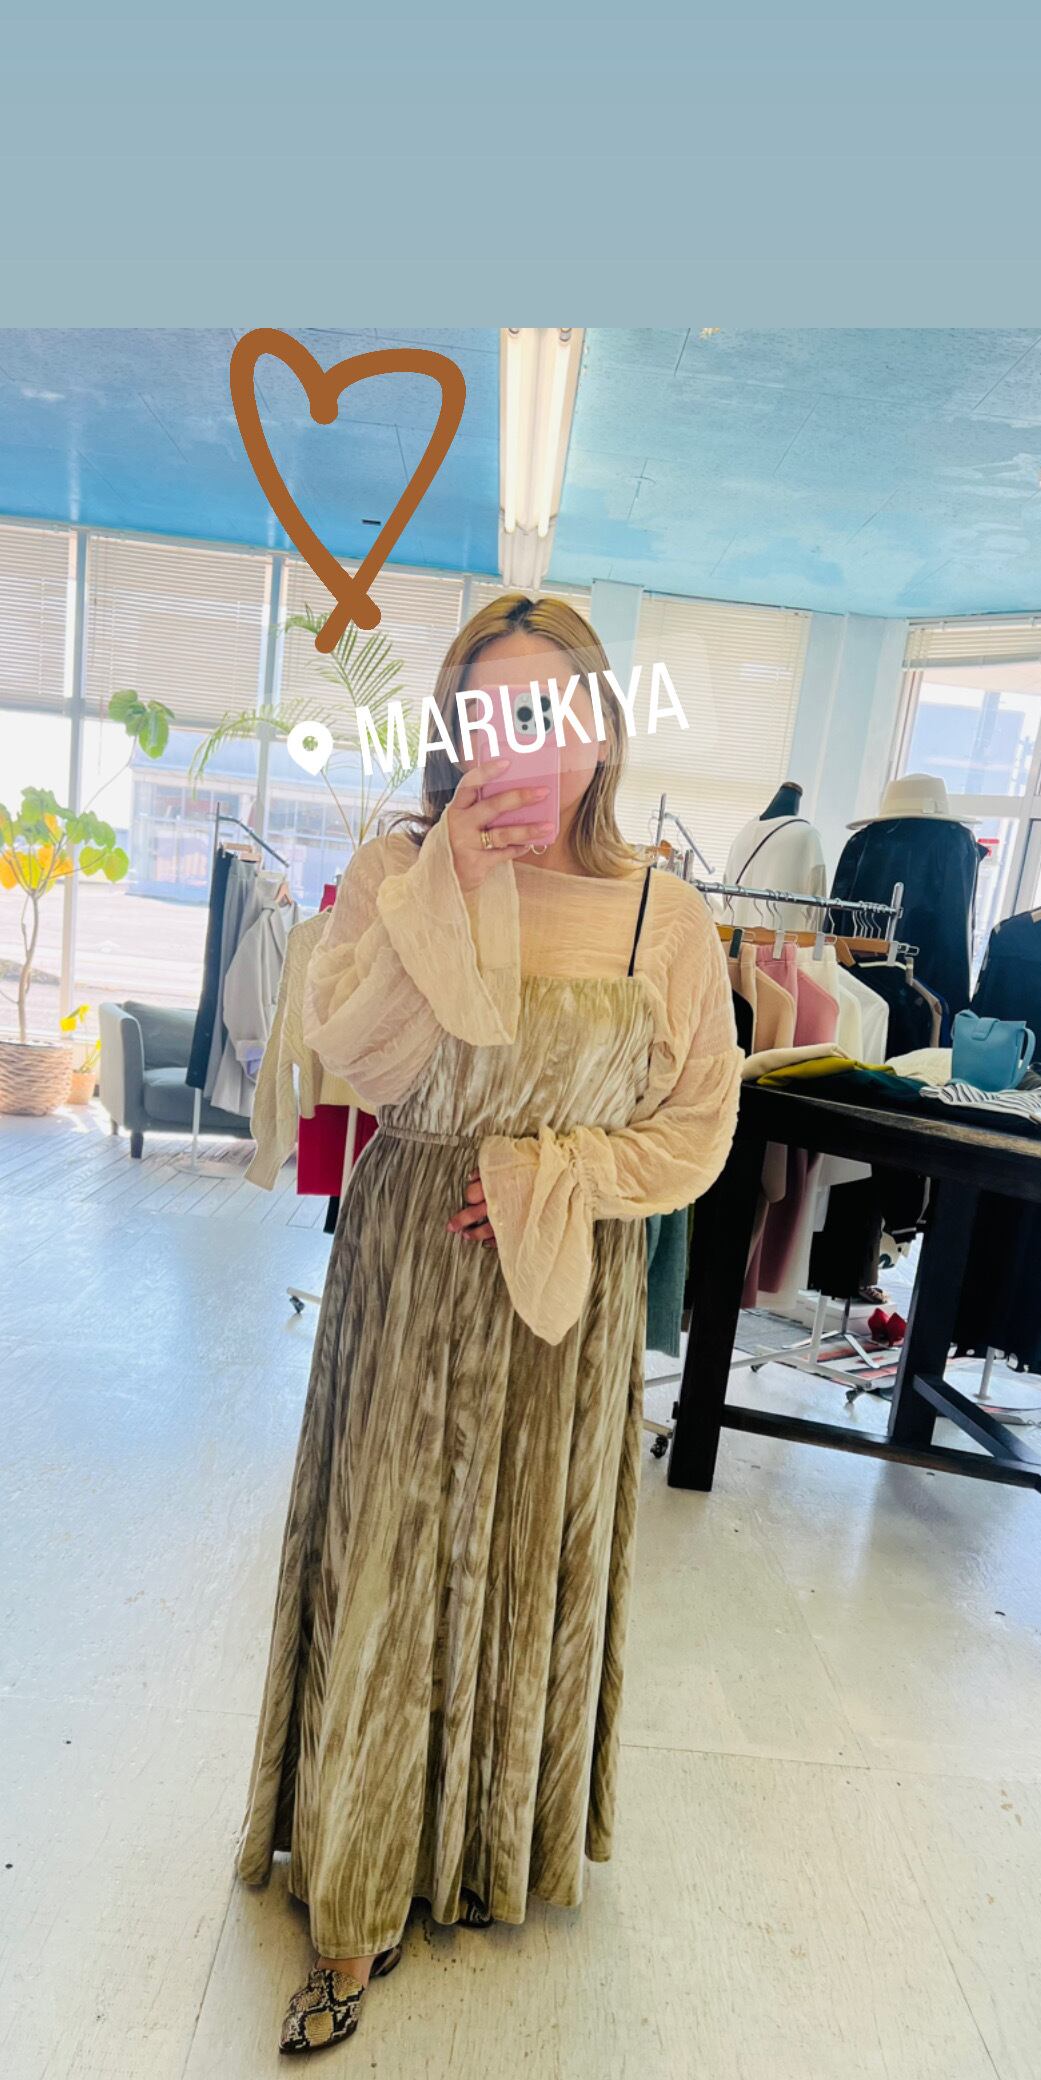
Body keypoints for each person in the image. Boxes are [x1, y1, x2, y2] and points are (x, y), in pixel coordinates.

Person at [230, 593, 742, 2056]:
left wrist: (550, 1176)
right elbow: (356, 1055)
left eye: (545, 710)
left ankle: (479, 1846)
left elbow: (697, 1127)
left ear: (601, 730)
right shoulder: (397, 866)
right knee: (388, 1563)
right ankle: (356, 1885)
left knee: (524, 1556)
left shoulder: (664, 914)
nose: (515, 741)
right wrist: (443, 887)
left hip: (558, 1300)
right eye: (484, 713)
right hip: (408, 1274)